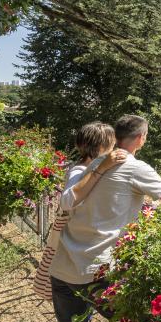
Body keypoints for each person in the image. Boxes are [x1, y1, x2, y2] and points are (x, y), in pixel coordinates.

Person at [49, 115, 161, 322]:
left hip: (64, 267)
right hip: (96, 272)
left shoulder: (95, 164)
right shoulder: (136, 167)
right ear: (141, 138)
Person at [33, 122, 127, 300]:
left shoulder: (88, 169)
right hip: (78, 248)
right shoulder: (80, 170)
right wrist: (103, 167)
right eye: (112, 144)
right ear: (101, 146)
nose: (114, 148)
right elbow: (68, 200)